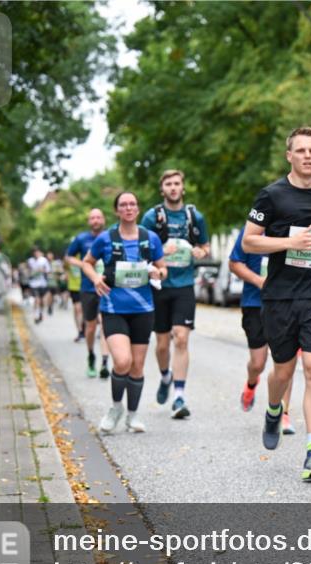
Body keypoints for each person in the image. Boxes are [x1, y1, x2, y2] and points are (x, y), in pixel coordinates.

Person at [241, 126, 311, 481]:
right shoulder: (271, 196)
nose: (307, 156)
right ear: (289, 155)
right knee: (283, 371)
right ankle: (274, 410)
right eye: (300, 150)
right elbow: (249, 242)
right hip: (281, 297)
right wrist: (289, 242)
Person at [83, 192, 167, 434]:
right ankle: (116, 408)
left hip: (143, 309)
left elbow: (163, 269)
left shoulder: (150, 238)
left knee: (137, 366)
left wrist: (158, 273)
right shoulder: (105, 239)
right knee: (122, 361)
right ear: (117, 210)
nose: (128, 208)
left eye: (132, 204)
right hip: (113, 309)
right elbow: (87, 262)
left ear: (137, 209)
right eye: (123, 205)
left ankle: (133, 415)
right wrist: (95, 278)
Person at [140, 170, 209, 419]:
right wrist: (159, 251)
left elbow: (204, 245)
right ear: (162, 189)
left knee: (181, 338)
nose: (173, 187)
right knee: (161, 345)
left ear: (183, 187)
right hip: (159, 286)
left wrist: (201, 252)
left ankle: (179, 396)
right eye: (168, 184)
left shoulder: (194, 217)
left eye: (177, 183)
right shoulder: (152, 217)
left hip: (184, 286)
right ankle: (165, 376)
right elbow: (139, 248)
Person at [229, 225, 297, 435]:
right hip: (255, 303)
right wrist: (258, 281)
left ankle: (283, 413)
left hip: (285, 303)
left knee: (285, 361)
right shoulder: (252, 230)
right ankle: (251, 383)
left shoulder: (292, 228)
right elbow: (234, 263)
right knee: (258, 363)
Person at [66, 209, 111, 378]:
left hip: (106, 287)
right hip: (87, 288)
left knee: (105, 323)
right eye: (92, 218)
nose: (96, 220)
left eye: (98, 217)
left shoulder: (111, 237)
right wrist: (85, 264)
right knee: (90, 327)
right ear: (88, 221)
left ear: (104, 219)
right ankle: (91, 355)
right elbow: (69, 257)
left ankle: (105, 362)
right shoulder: (81, 238)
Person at [27, 247, 51, 324]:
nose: (36, 254)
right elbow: (28, 271)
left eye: (37, 252)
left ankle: (41, 312)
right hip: (34, 283)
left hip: (42, 283)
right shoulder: (30, 261)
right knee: (37, 299)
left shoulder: (44, 260)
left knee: (42, 301)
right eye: (35, 252)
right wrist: (32, 272)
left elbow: (48, 270)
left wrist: (43, 270)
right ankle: (36, 315)